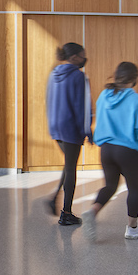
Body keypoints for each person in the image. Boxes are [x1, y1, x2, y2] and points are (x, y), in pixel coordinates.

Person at [86, 60, 138, 240]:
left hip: (107, 150)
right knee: (133, 189)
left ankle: (92, 211)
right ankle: (132, 228)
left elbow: (99, 120)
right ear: (135, 80)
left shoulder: (103, 96)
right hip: (129, 151)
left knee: (109, 185)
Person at [44, 41, 91, 226]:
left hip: (56, 127)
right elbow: (82, 106)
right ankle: (66, 213)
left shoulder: (53, 74)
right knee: (71, 168)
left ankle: (54, 198)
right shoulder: (79, 76)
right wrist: (87, 130)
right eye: (82, 55)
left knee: (68, 164)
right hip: (71, 128)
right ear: (74, 57)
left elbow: (48, 100)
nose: (84, 59)